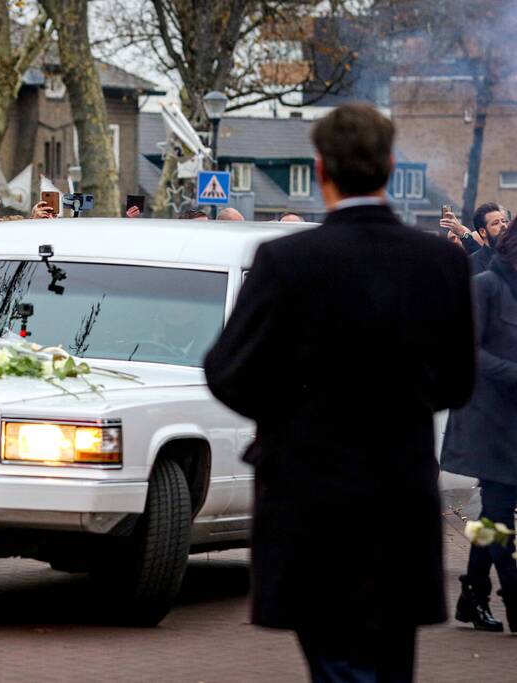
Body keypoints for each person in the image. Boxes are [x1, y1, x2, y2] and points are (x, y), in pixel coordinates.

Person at [204, 103, 475, 683]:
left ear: (320, 167)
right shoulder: (438, 263)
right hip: (400, 491)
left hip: (308, 494)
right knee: (389, 661)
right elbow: (458, 381)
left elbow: (227, 370)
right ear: (392, 166)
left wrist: (293, 414)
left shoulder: (286, 259)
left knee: (334, 659)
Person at [440, 218, 517, 633]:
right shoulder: (486, 285)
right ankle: (512, 595)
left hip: (514, 423)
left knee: (493, 516)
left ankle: (473, 594)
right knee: (499, 513)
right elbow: (466, 352)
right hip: (489, 423)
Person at [468, 202, 508, 275]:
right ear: (483, 232)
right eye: (496, 223)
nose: (503, 225)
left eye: (504, 221)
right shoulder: (471, 264)